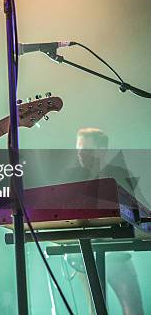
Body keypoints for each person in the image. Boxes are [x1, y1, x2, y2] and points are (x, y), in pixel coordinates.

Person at [61, 128, 143, 315]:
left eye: (87, 150)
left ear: (102, 150)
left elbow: (138, 210)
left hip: (117, 250)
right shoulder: (72, 177)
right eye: (78, 149)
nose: (81, 154)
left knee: (134, 308)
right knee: (96, 309)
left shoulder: (119, 173)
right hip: (84, 251)